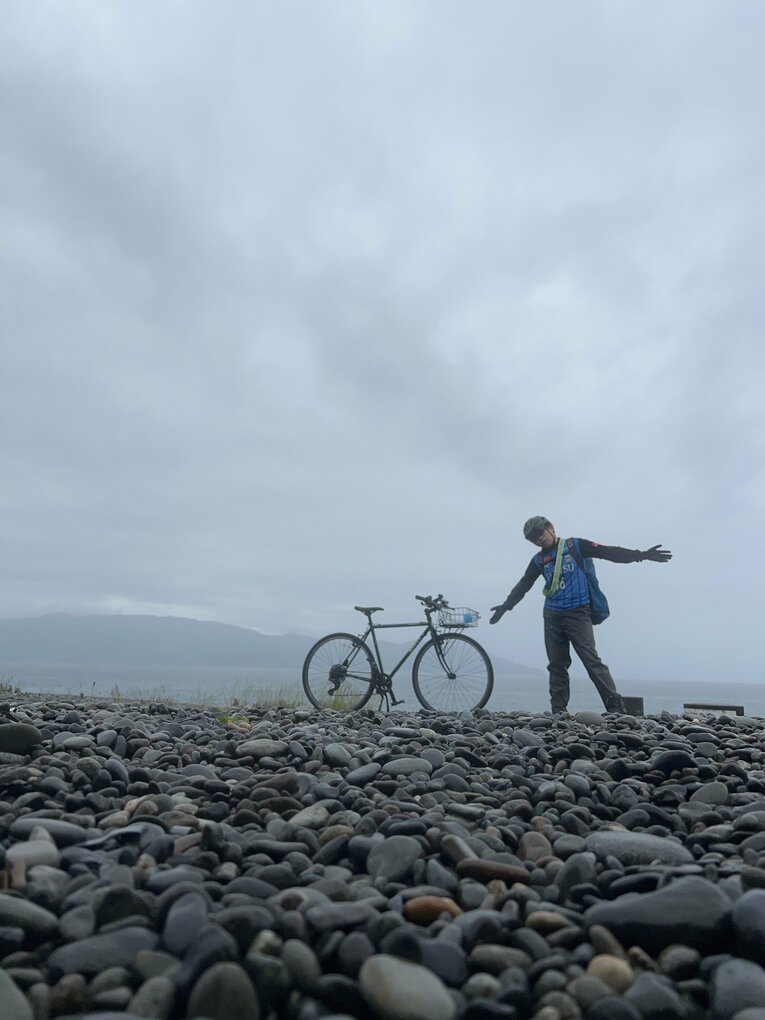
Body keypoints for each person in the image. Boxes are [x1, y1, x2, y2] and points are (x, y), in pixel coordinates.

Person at [490, 516, 672, 715]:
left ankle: (615, 708)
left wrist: (642, 555)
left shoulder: (575, 546)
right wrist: (505, 606)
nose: (539, 539)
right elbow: (524, 584)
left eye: (540, 533)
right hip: (552, 615)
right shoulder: (538, 560)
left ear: (551, 528)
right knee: (556, 665)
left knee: (590, 660)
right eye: (533, 539)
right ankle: (559, 711)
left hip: (578, 611)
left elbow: (608, 552)